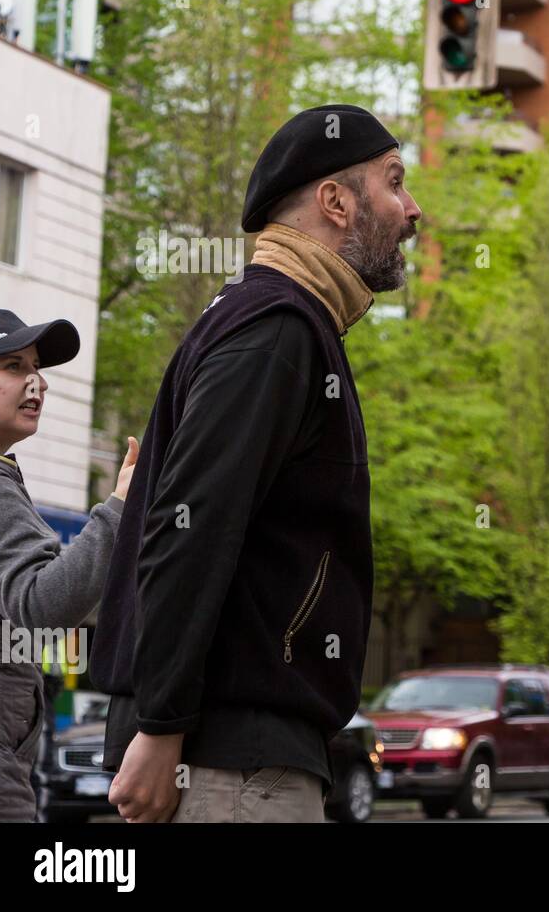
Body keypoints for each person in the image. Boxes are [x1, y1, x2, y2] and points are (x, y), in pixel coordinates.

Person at [89, 104, 422, 823]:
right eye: (395, 183)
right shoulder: (277, 329)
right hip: (226, 759)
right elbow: (192, 528)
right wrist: (162, 723)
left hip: (229, 751)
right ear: (336, 201)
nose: (412, 209)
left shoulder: (270, 320)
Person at [0, 310, 137, 821]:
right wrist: (118, 509)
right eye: (11, 365)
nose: (37, 382)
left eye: (36, 367)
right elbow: (42, 605)